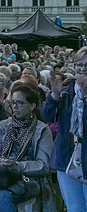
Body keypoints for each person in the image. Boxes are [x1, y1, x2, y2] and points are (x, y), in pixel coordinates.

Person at [0, 84, 52, 212]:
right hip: (1, 173)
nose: (15, 107)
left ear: (32, 106)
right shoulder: (5, 124)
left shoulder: (42, 129)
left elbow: (43, 165)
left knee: (3, 196)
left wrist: (17, 165)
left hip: (26, 177)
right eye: (13, 103)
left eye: (20, 103)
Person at [41, 46, 87, 211]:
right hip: (66, 158)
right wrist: (54, 96)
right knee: (75, 208)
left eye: (86, 66)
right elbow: (46, 116)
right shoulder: (66, 93)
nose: (82, 70)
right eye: (79, 65)